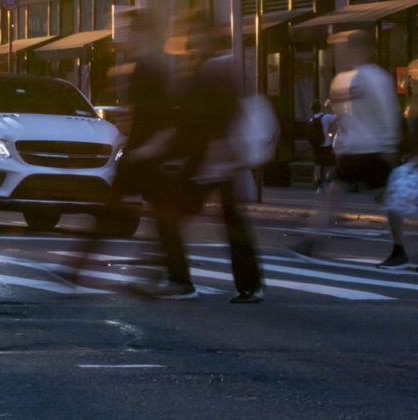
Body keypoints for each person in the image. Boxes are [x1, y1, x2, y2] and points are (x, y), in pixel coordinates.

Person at [124, 11, 264, 302]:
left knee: (170, 216)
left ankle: (180, 281)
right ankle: (247, 286)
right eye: (187, 34)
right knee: (226, 220)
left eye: (193, 33)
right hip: (212, 160)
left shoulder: (212, 67)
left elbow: (211, 114)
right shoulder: (203, 66)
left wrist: (171, 150)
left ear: (207, 36)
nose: (188, 39)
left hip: (210, 160)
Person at [59, 8, 168, 286]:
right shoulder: (141, 67)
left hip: (146, 154)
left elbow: (160, 116)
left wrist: (148, 147)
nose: (126, 36)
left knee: (157, 218)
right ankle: (76, 268)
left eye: (130, 30)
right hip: (139, 153)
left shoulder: (151, 70)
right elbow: (137, 113)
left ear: (143, 33)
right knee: (136, 215)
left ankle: (76, 268)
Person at [290, 30, 410, 270]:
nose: (341, 54)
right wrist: (341, 145)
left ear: (363, 50)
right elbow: (341, 117)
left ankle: (400, 250)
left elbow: (387, 112)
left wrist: (389, 145)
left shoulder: (376, 77)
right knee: (335, 195)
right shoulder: (341, 80)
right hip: (354, 150)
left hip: (375, 148)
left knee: (388, 201)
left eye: (345, 48)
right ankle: (311, 242)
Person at [306, 100, 337, 191]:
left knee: (318, 165)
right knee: (331, 164)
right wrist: (330, 107)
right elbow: (338, 117)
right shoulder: (326, 117)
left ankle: (318, 185)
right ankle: (328, 181)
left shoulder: (311, 119)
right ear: (320, 108)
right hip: (326, 144)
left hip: (316, 146)